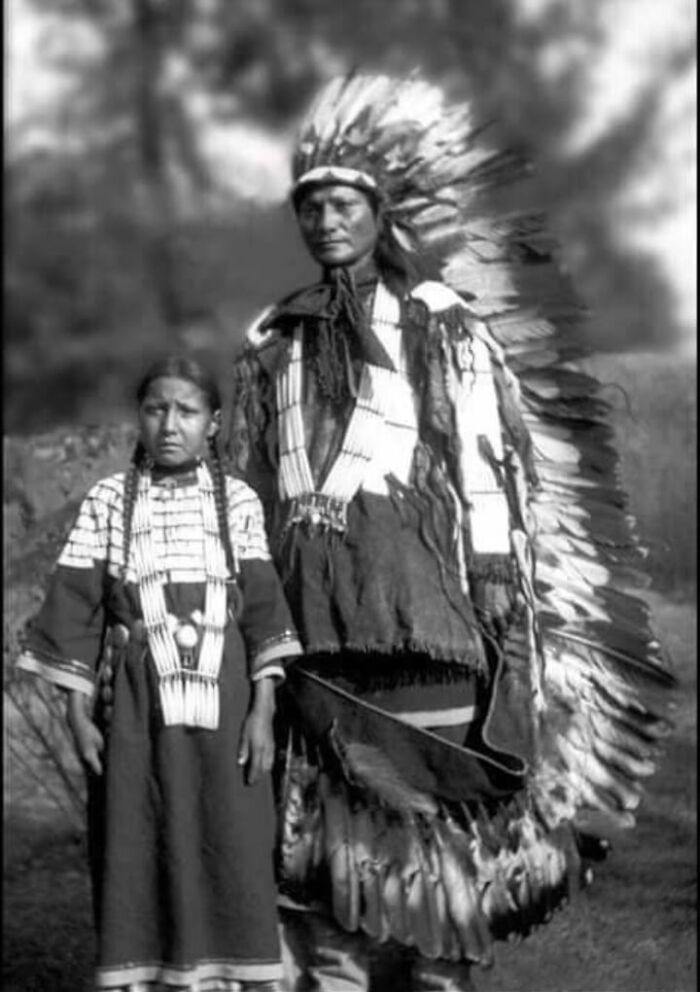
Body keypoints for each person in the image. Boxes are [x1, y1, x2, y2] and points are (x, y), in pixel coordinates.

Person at [228, 75, 676, 991]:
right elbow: (250, 473)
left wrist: (497, 572)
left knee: (435, 822)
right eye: (309, 206)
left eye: (342, 202)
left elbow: (481, 457)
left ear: (379, 211)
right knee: (323, 838)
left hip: (424, 615)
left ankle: (436, 979)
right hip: (314, 623)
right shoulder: (273, 334)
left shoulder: (442, 326)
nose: (324, 221)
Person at [17, 354, 303, 992]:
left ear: (214, 423)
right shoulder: (108, 502)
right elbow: (74, 613)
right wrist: (76, 715)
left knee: (232, 838)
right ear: (139, 419)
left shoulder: (239, 503)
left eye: (187, 411)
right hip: (135, 715)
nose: (170, 424)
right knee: (138, 838)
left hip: (227, 711)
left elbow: (261, 611)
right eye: (156, 409)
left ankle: (235, 976)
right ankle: (147, 975)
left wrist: (262, 713)